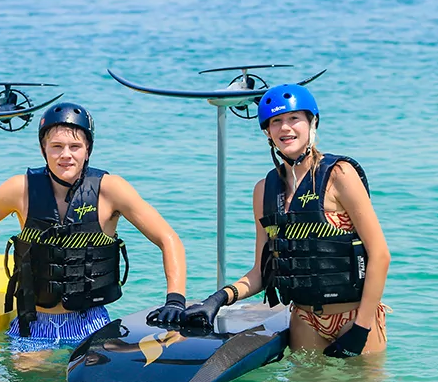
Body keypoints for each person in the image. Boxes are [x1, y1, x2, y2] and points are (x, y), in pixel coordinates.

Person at [0, 102, 187, 356]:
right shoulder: (19, 189)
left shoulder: (111, 190)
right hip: (33, 326)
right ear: (44, 150)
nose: (66, 155)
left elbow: (167, 238)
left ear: (88, 149)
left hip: (92, 325)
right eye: (56, 147)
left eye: (75, 147)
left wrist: (175, 299)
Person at [155, 85, 390, 357]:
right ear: (267, 132)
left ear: (312, 122)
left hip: (355, 316)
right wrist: (217, 300)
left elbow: (380, 255)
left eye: (294, 119)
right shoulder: (264, 190)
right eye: (275, 122)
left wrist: (361, 329)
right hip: (304, 321)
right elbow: (260, 273)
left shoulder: (339, 175)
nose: (285, 128)